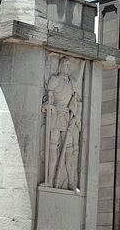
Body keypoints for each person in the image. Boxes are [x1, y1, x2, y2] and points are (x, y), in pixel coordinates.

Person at [42, 56, 81, 191]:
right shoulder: (55, 80)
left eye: (68, 65)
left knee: (70, 151)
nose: (67, 67)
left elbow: (76, 103)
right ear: (59, 66)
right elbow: (49, 99)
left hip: (66, 117)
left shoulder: (71, 83)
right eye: (64, 64)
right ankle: (48, 179)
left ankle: (71, 182)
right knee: (52, 149)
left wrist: (74, 117)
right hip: (55, 116)